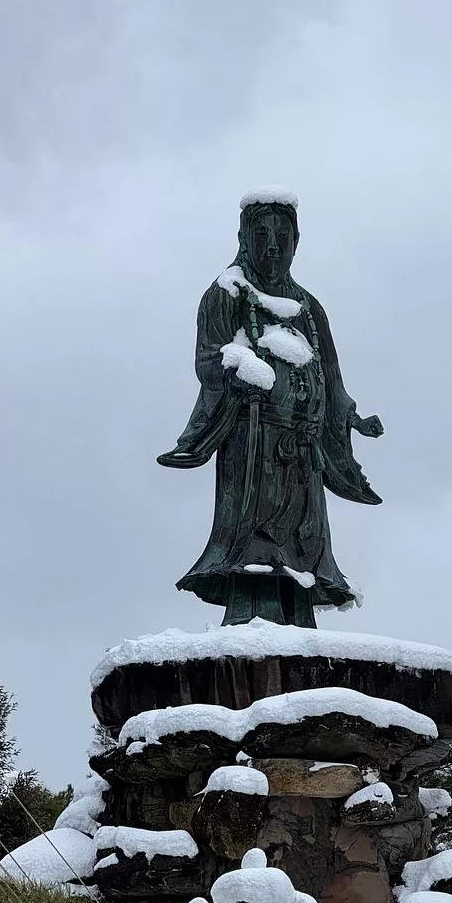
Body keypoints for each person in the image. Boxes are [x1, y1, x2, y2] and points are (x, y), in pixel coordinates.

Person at [158, 187, 383, 627]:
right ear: (245, 238)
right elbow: (210, 357)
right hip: (254, 437)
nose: (274, 246)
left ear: (297, 241)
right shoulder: (229, 293)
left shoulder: (309, 308)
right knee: (254, 543)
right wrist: (240, 369)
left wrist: (349, 414)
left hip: (302, 448)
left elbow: (331, 377)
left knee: (305, 539)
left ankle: (298, 616)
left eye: (284, 236)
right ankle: (249, 618)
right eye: (262, 235)